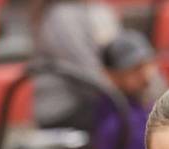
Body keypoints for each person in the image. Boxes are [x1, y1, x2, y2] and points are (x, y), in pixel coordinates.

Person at [30, 0, 121, 132]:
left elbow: (125, 54)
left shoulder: (99, 10)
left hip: (98, 100)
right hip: (64, 111)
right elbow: (87, 74)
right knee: (136, 122)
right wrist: (127, 92)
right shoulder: (62, 15)